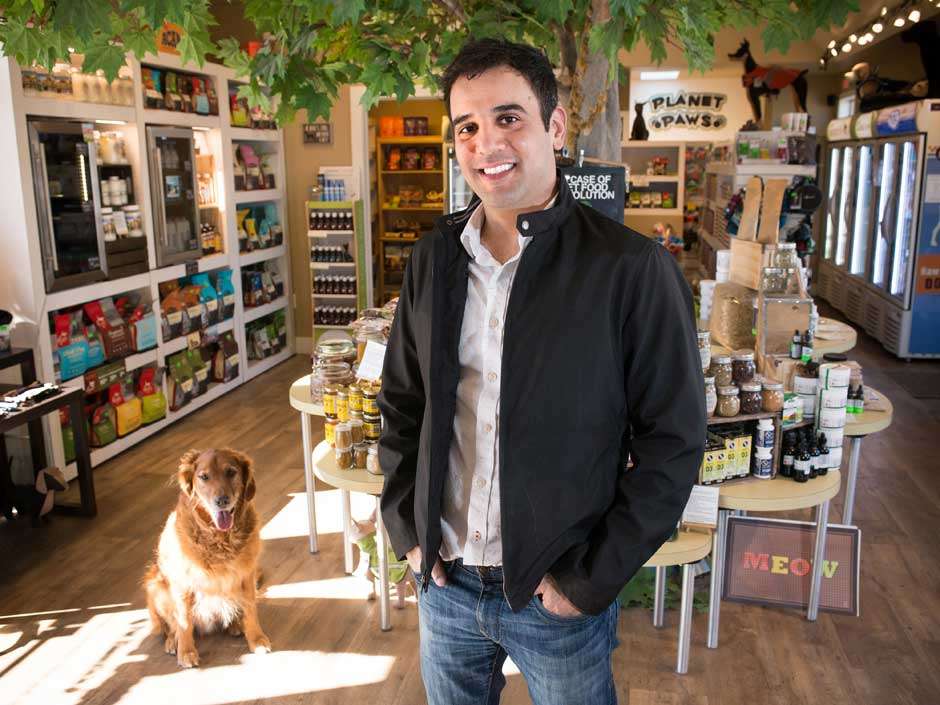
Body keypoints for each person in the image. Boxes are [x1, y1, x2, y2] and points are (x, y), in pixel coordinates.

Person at [378, 38, 705, 705]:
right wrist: (409, 533)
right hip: (445, 584)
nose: (485, 142)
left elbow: (673, 441)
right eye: (467, 126)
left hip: (558, 592)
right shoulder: (434, 259)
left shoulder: (630, 269)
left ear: (554, 127)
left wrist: (589, 582)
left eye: (508, 118)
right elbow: (402, 403)